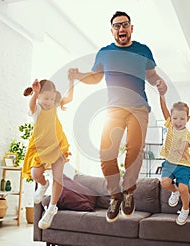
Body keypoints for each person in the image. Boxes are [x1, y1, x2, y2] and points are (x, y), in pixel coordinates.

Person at [68, 11, 167, 223]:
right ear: (112, 30)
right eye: (117, 26)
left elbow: (151, 76)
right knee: (106, 154)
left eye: (125, 25)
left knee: (134, 149)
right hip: (113, 109)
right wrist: (78, 75)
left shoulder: (143, 51)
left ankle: (129, 192)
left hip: (138, 108)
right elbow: (95, 78)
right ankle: (116, 196)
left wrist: (160, 83)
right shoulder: (104, 53)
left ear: (131, 28)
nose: (121, 29)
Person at [22, 78, 74, 229]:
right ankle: (44, 185)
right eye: (45, 98)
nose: (49, 102)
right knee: (35, 173)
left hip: (57, 145)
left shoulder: (54, 106)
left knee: (58, 177)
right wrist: (35, 94)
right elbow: (31, 105)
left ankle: (52, 208)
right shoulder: (37, 109)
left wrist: (71, 82)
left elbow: (69, 98)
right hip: (40, 147)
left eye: (51, 99)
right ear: (39, 96)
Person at [158, 89, 190, 225]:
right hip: (169, 162)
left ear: (187, 119)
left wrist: (181, 149)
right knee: (165, 182)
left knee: (184, 188)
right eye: (175, 118)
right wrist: (161, 95)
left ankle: (185, 209)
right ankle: (175, 191)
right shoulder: (170, 126)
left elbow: (185, 143)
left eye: (182, 118)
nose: (178, 121)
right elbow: (164, 109)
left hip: (184, 164)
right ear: (171, 118)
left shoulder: (186, 133)